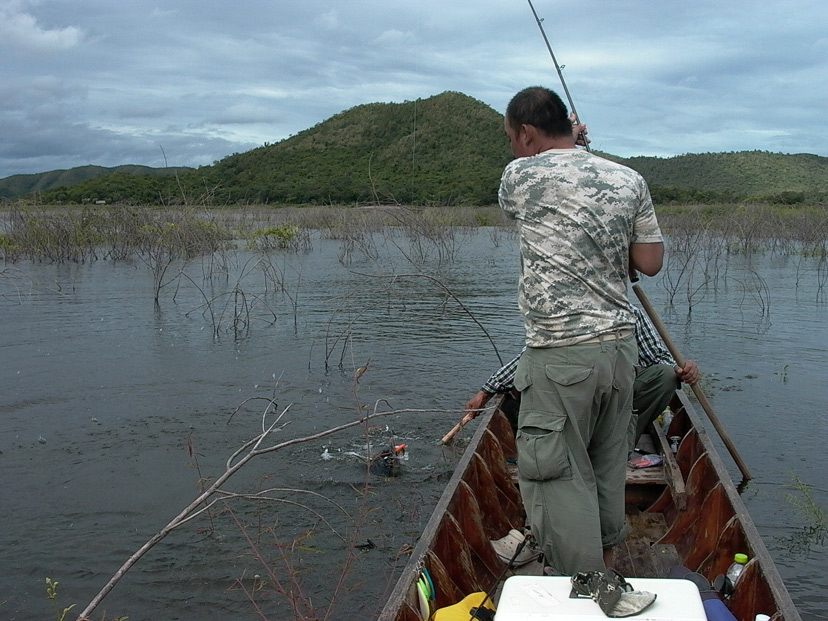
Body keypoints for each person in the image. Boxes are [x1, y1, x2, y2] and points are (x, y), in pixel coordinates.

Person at [497, 86, 665, 576]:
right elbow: (649, 263)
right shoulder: (629, 179)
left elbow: (528, 204)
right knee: (607, 466)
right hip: (620, 353)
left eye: (512, 137)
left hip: (561, 354)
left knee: (553, 474)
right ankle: (608, 564)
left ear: (527, 133)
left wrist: (572, 147)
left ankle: (584, 590)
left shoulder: (519, 175)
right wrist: (582, 149)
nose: (512, 147)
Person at [463, 305, 700, 455]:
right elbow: (527, 360)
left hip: (617, 401)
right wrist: (486, 391)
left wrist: (681, 370)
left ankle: (620, 444)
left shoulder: (630, 315)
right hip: (575, 403)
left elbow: (661, 359)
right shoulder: (566, 316)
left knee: (665, 377)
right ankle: (569, 443)